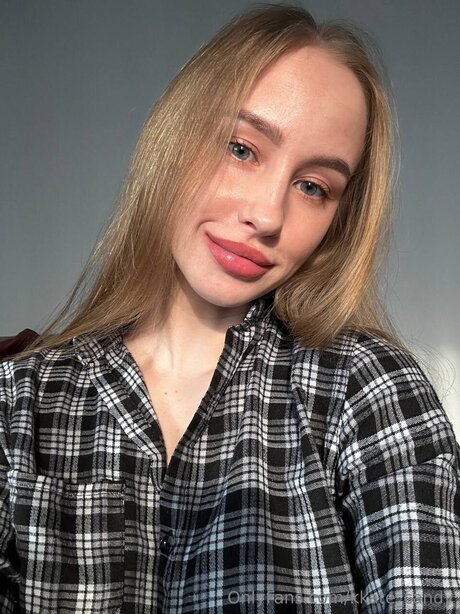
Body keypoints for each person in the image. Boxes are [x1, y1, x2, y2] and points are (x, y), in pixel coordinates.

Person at [1, 4, 459, 613]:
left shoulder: (367, 390)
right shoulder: (21, 400)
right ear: (174, 134)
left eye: (313, 187)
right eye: (242, 149)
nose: (267, 215)